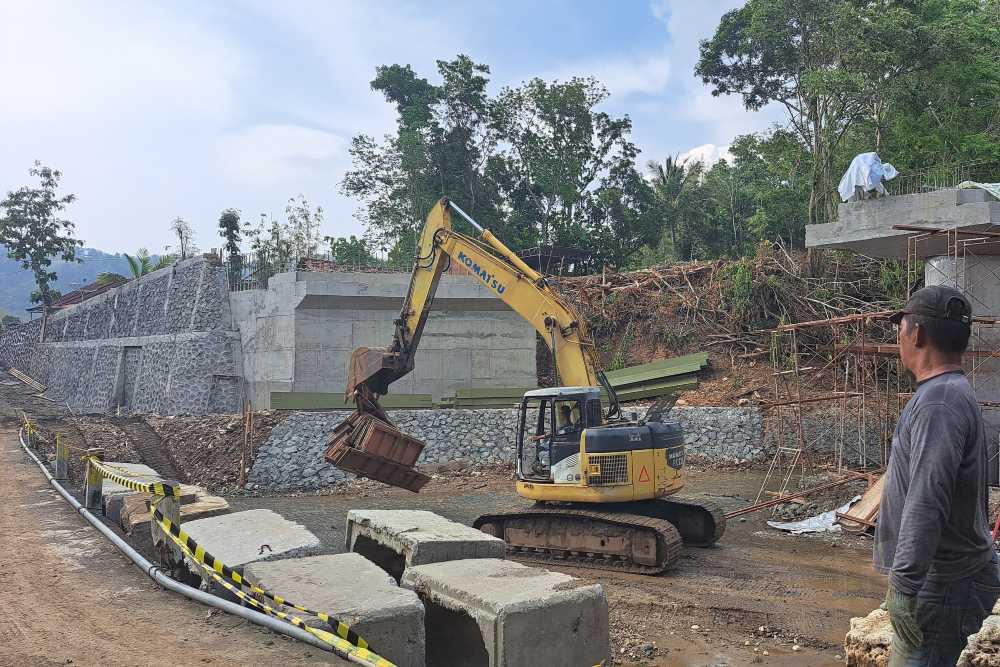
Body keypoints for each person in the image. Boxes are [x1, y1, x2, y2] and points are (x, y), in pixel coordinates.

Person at [877, 285, 1000, 666]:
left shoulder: (939, 403)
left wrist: (904, 584)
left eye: (901, 326)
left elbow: (927, 500)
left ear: (916, 333)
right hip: (946, 578)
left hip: (944, 582)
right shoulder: (949, 392)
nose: (898, 336)